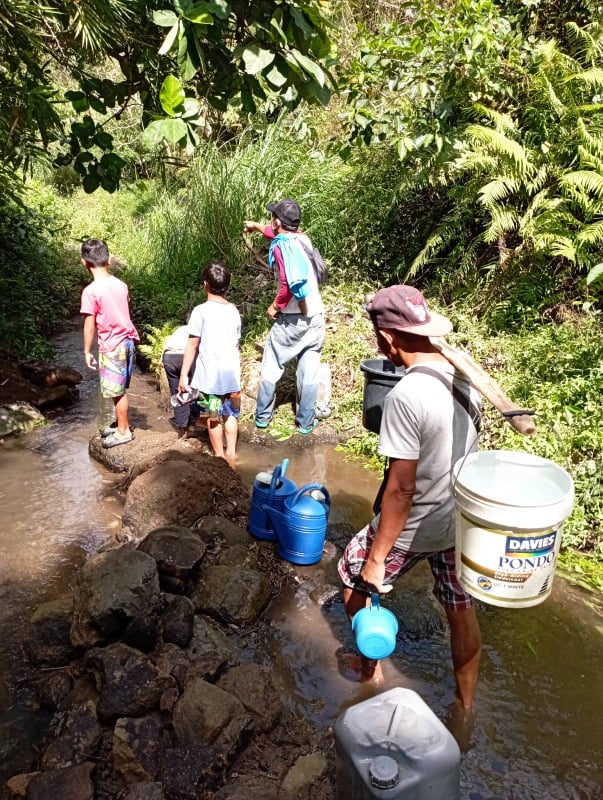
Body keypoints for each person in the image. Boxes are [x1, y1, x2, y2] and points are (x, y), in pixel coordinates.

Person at [337, 285, 482, 714]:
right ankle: (465, 705)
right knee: (460, 609)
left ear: (388, 339)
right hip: (457, 521)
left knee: (351, 573)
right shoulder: (466, 378)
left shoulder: (406, 396)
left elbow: (401, 489)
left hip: (415, 526)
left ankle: (371, 672)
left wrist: (377, 557)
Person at [243, 198, 325, 434]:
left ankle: (262, 418)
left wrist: (275, 306)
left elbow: (288, 284)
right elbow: (275, 233)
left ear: (278, 221)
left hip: (292, 318)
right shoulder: (303, 239)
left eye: (272, 217)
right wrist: (257, 226)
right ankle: (306, 423)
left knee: (272, 363)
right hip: (316, 316)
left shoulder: (280, 247)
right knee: (309, 370)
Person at [80, 238, 139, 449]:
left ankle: (124, 432)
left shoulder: (91, 291)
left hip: (112, 345)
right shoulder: (120, 285)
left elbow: (90, 324)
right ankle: (122, 424)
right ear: (109, 260)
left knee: (116, 391)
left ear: (84, 262)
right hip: (128, 341)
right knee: (120, 388)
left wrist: (87, 350)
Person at [178, 262, 241, 460]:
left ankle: (220, 457)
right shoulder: (234, 311)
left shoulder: (200, 311)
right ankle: (232, 454)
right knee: (231, 413)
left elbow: (192, 345)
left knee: (212, 417)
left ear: (205, 285)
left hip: (209, 378)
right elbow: (236, 343)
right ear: (228, 286)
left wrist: (183, 375)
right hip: (232, 376)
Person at [162, 320, 198, 439]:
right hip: (185, 356)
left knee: (177, 392)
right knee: (195, 388)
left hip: (168, 357)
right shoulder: (199, 330)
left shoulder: (180, 329)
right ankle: (198, 419)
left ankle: (184, 430)